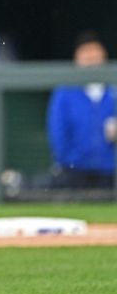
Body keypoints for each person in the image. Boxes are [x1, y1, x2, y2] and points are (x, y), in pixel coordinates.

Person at [47, 32, 116, 189]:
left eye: (95, 53)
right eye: (86, 54)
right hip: (75, 172)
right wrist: (68, 162)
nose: (91, 59)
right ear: (77, 58)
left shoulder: (114, 89)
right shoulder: (64, 92)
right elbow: (58, 133)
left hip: (111, 172)